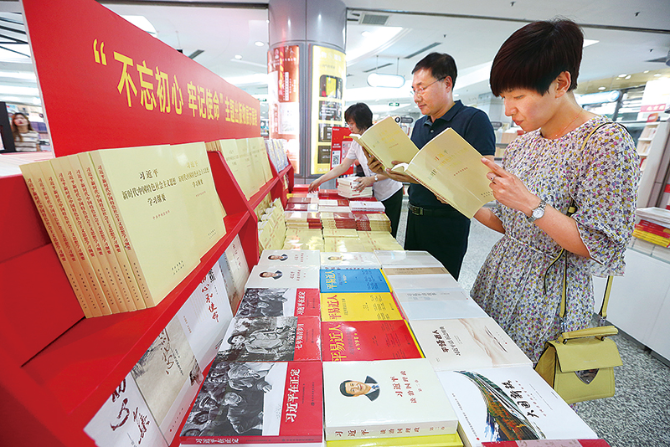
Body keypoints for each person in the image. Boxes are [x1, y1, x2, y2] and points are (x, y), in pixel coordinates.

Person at [470, 20, 639, 363]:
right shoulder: (523, 145)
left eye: (518, 96)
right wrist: (461, 199)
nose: (509, 109)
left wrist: (532, 204)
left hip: (548, 298)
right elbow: (509, 226)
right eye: (504, 97)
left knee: (525, 387)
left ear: (560, 83)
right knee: (480, 368)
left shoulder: (604, 142)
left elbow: (599, 244)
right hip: (499, 278)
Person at [369, 53, 496, 279]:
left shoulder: (473, 120)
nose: (417, 97)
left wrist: (422, 177)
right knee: (411, 283)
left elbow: (482, 179)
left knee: (440, 287)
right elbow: (414, 171)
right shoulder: (420, 124)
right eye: (413, 90)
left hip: (447, 223)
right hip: (415, 218)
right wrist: (387, 169)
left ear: (447, 83)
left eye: (422, 88)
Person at [308, 103, 404, 238]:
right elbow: (343, 166)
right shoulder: (356, 142)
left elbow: (393, 169)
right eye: (348, 123)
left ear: (362, 122)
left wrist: (371, 179)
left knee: (388, 232)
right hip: (374, 193)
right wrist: (320, 180)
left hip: (391, 192)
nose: (349, 127)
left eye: (351, 123)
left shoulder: (381, 140)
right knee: (376, 230)